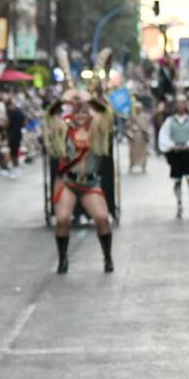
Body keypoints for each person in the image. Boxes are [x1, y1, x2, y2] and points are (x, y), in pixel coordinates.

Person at [43, 86, 115, 274]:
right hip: (69, 182)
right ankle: (63, 259)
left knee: (101, 218)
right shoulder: (64, 129)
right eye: (78, 111)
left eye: (84, 111)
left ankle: (107, 257)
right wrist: (62, 100)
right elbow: (50, 116)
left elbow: (107, 114)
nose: (81, 115)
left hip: (90, 182)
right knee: (63, 219)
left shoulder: (97, 129)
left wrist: (89, 99)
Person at [158, 94, 189, 219]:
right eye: (178, 103)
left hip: (188, 153)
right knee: (177, 180)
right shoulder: (170, 121)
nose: (181, 106)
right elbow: (164, 136)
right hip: (176, 153)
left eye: (183, 103)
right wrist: (172, 145)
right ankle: (179, 204)